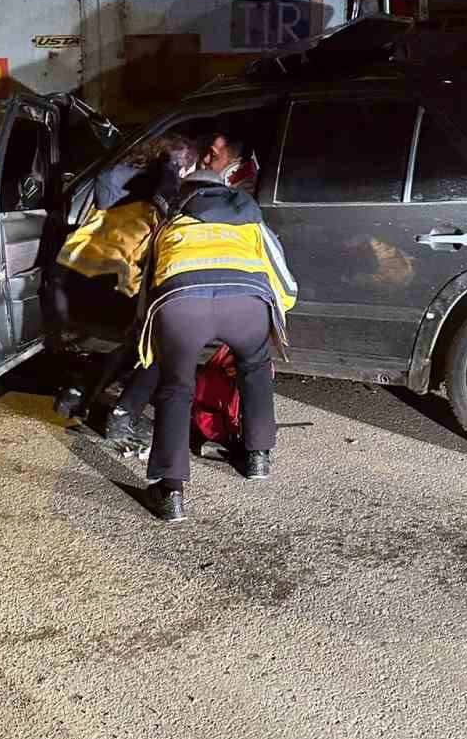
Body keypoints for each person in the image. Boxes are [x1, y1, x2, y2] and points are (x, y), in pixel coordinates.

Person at [135, 158, 297, 521]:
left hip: (181, 308)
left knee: (176, 387)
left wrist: (150, 334)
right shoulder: (252, 221)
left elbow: (149, 289)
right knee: (254, 367)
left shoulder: (171, 225)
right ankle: (257, 457)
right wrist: (274, 313)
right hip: (245, 306)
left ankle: (170, 491)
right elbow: (284, 282)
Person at [100, 126, 262, 448]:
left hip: (172, 269)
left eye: (211, 155)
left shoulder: (234, 181)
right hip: (163, 268)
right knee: (162, 344)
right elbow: (163, 210)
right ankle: (121, 414)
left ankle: (119, 408)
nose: (205, 158)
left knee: (160, 343)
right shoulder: (187, 173)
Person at [48, 135, 196, 422]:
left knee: (119, 341)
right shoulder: (160, 192)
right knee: (151, 343)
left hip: (76, 275)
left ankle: (76, 392)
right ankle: (121, 414)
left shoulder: (112, 177)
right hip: (120, 281)